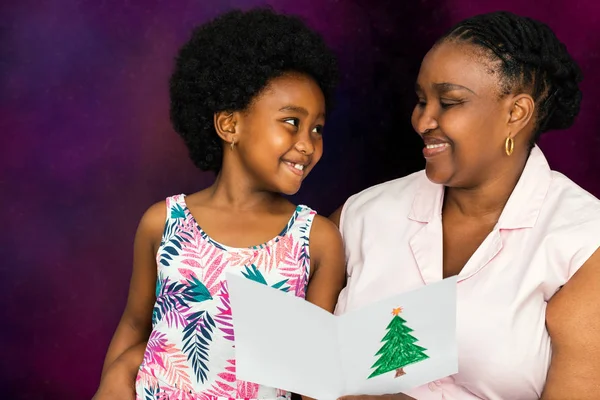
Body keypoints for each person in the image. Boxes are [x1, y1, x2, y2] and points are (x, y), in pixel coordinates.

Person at [332, 11, 600, 400]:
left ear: (516, 113)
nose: (423, 120)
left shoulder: (582, 242)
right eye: (422, 100)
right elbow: (296, 358)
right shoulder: (363, 216)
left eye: (450, 101)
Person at [93, 7, 345, 400]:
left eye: (317, 128)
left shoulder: (317, 240)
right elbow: (134, 324)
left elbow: (311, 370)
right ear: (230, 125)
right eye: (292, 122)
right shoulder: (163, 222)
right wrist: (110, 383)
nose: (308, 144)